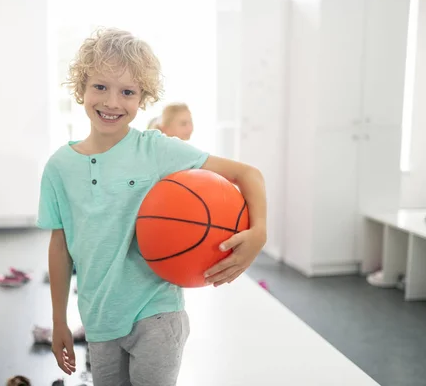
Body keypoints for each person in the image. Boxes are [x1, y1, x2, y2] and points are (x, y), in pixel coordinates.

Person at [37, 28, 267, 385]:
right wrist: (58, 320)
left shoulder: (156, 149)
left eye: (127, 91)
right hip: (99, 316)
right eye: (100, 86)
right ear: (80, 87)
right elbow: (60, 248)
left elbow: (247, 174)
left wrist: (259, 234)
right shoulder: (59, 168)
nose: (112, 102)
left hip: (157, 312)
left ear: (142, 97)